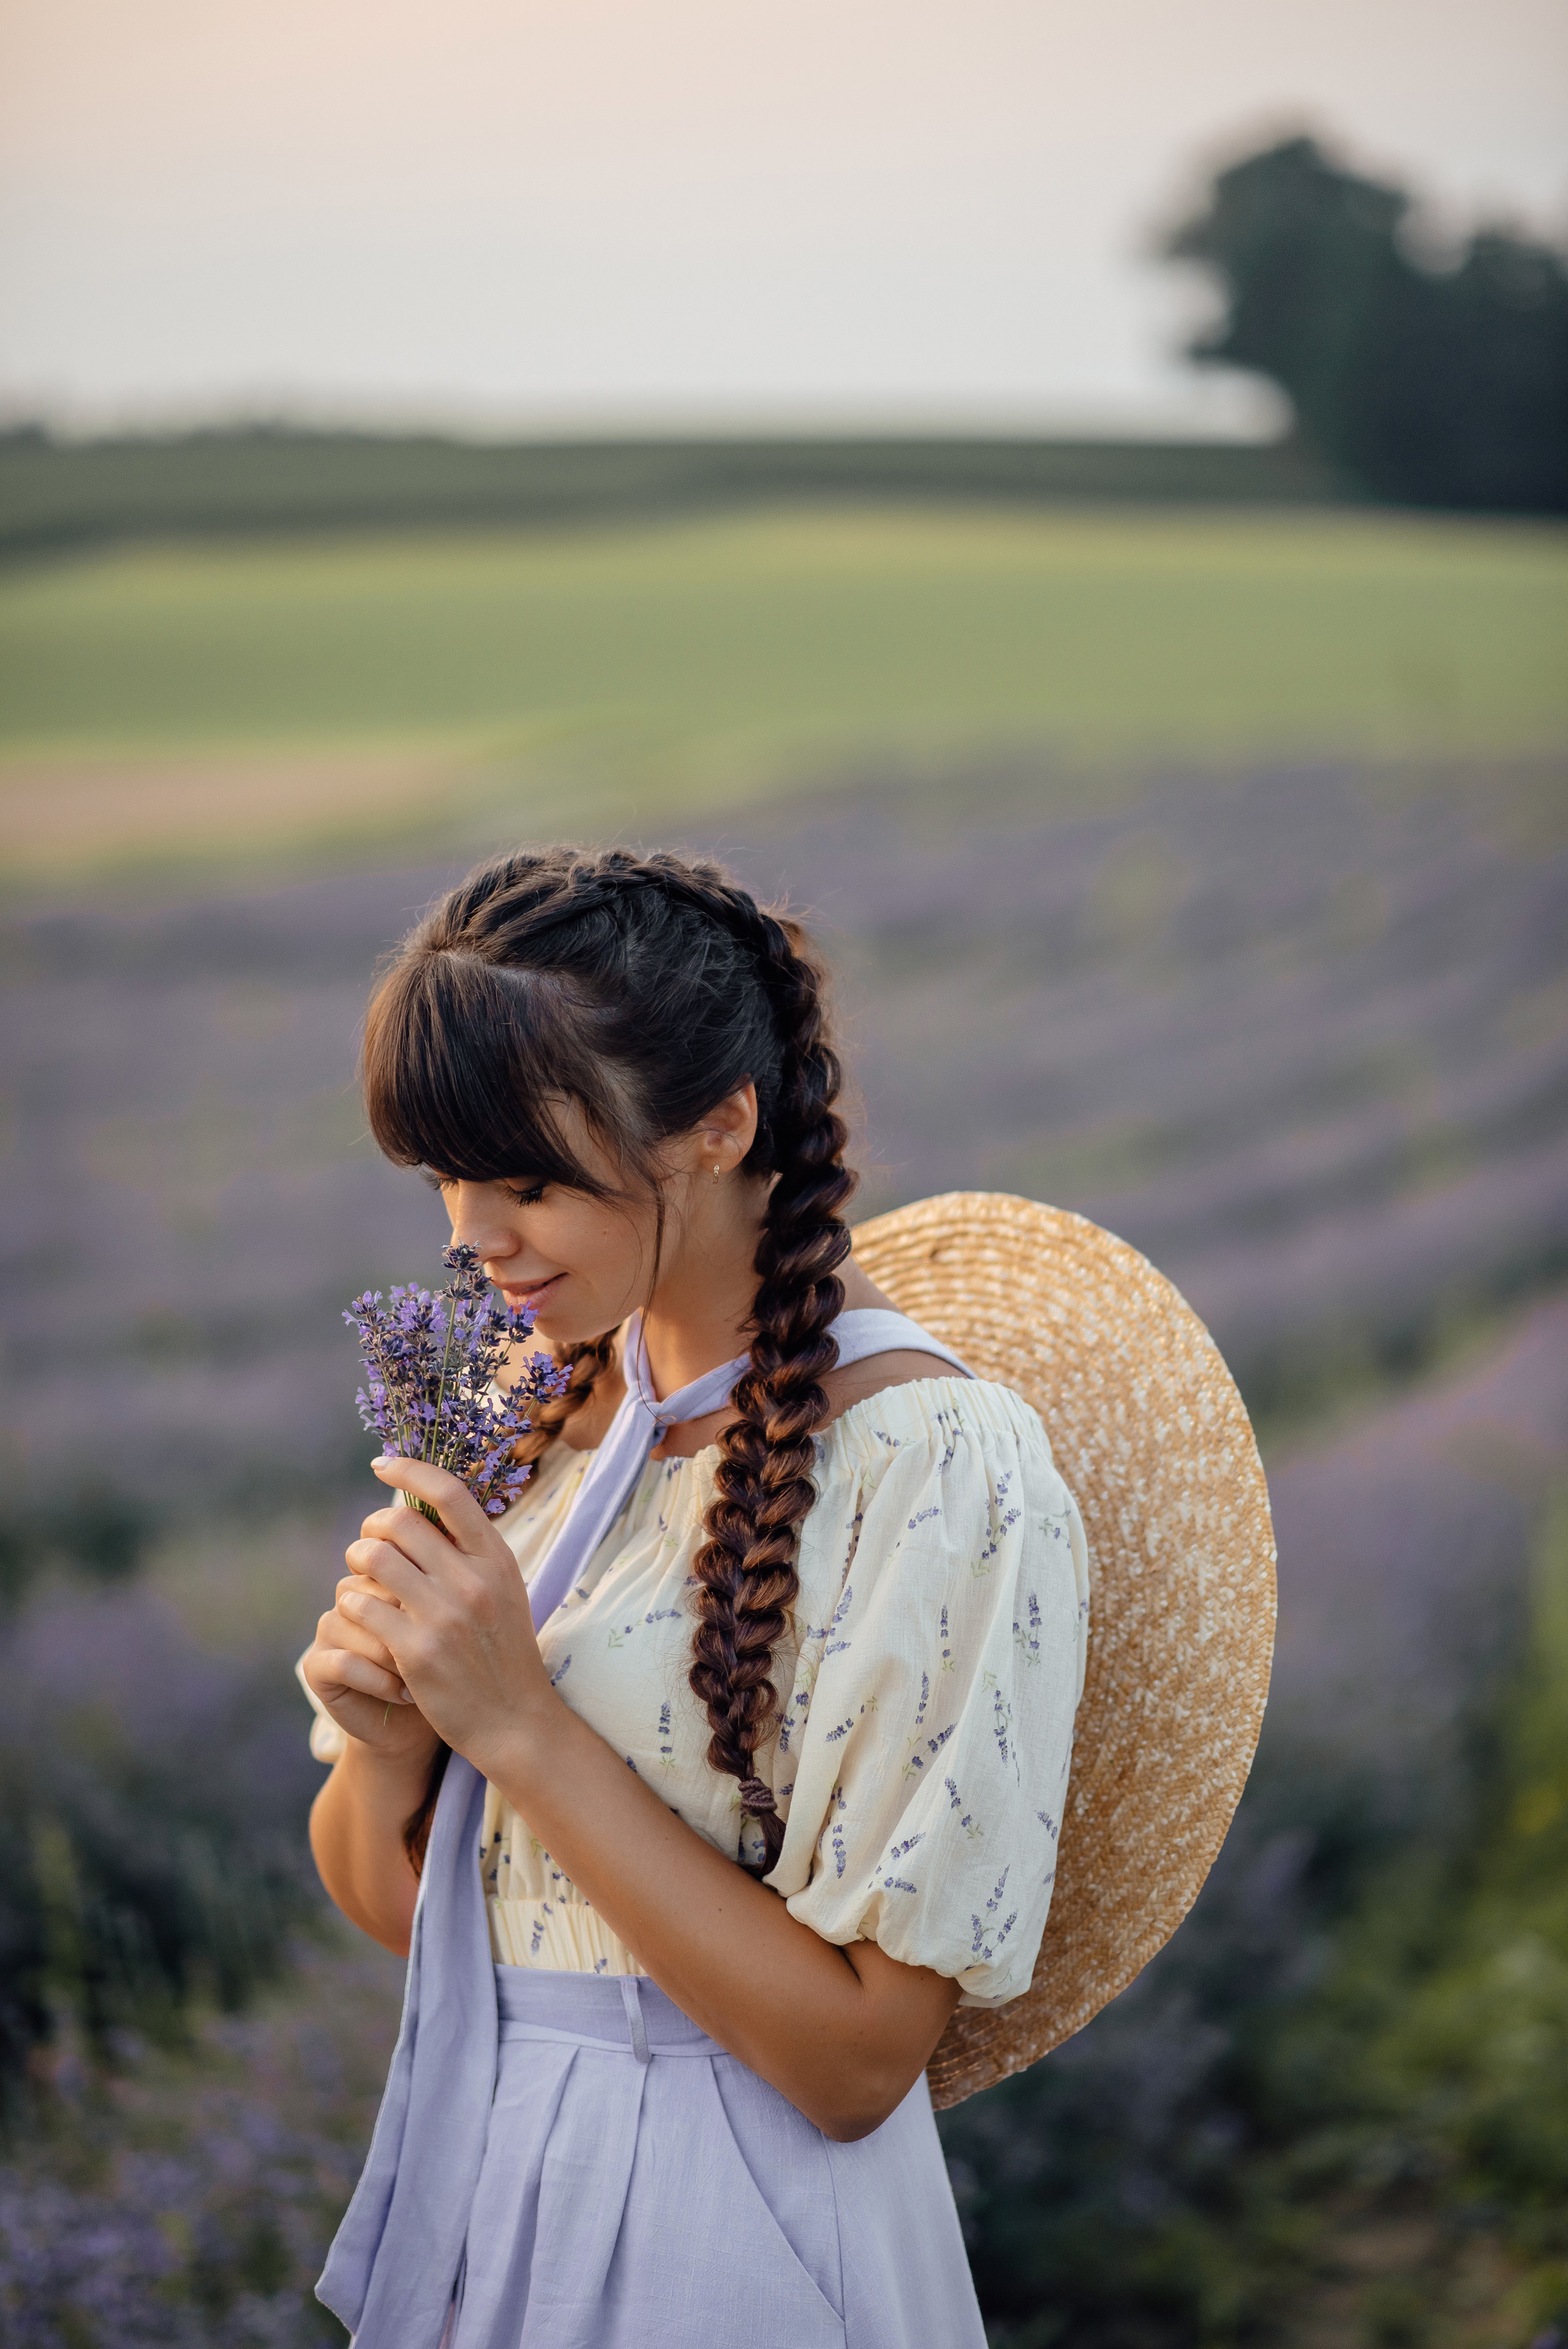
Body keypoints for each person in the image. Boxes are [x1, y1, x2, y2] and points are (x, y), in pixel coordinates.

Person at [298, 847, 1090, 2349]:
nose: (471, 1233)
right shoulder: (529, 1405)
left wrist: (521, 1725)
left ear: (720, 1124)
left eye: (526, 1179)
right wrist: (393, 1743)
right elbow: (419, 1920)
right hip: (500, 2183)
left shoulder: (922, 1462)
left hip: (736, 2227)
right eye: (446, 1178)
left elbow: (859, 2063)